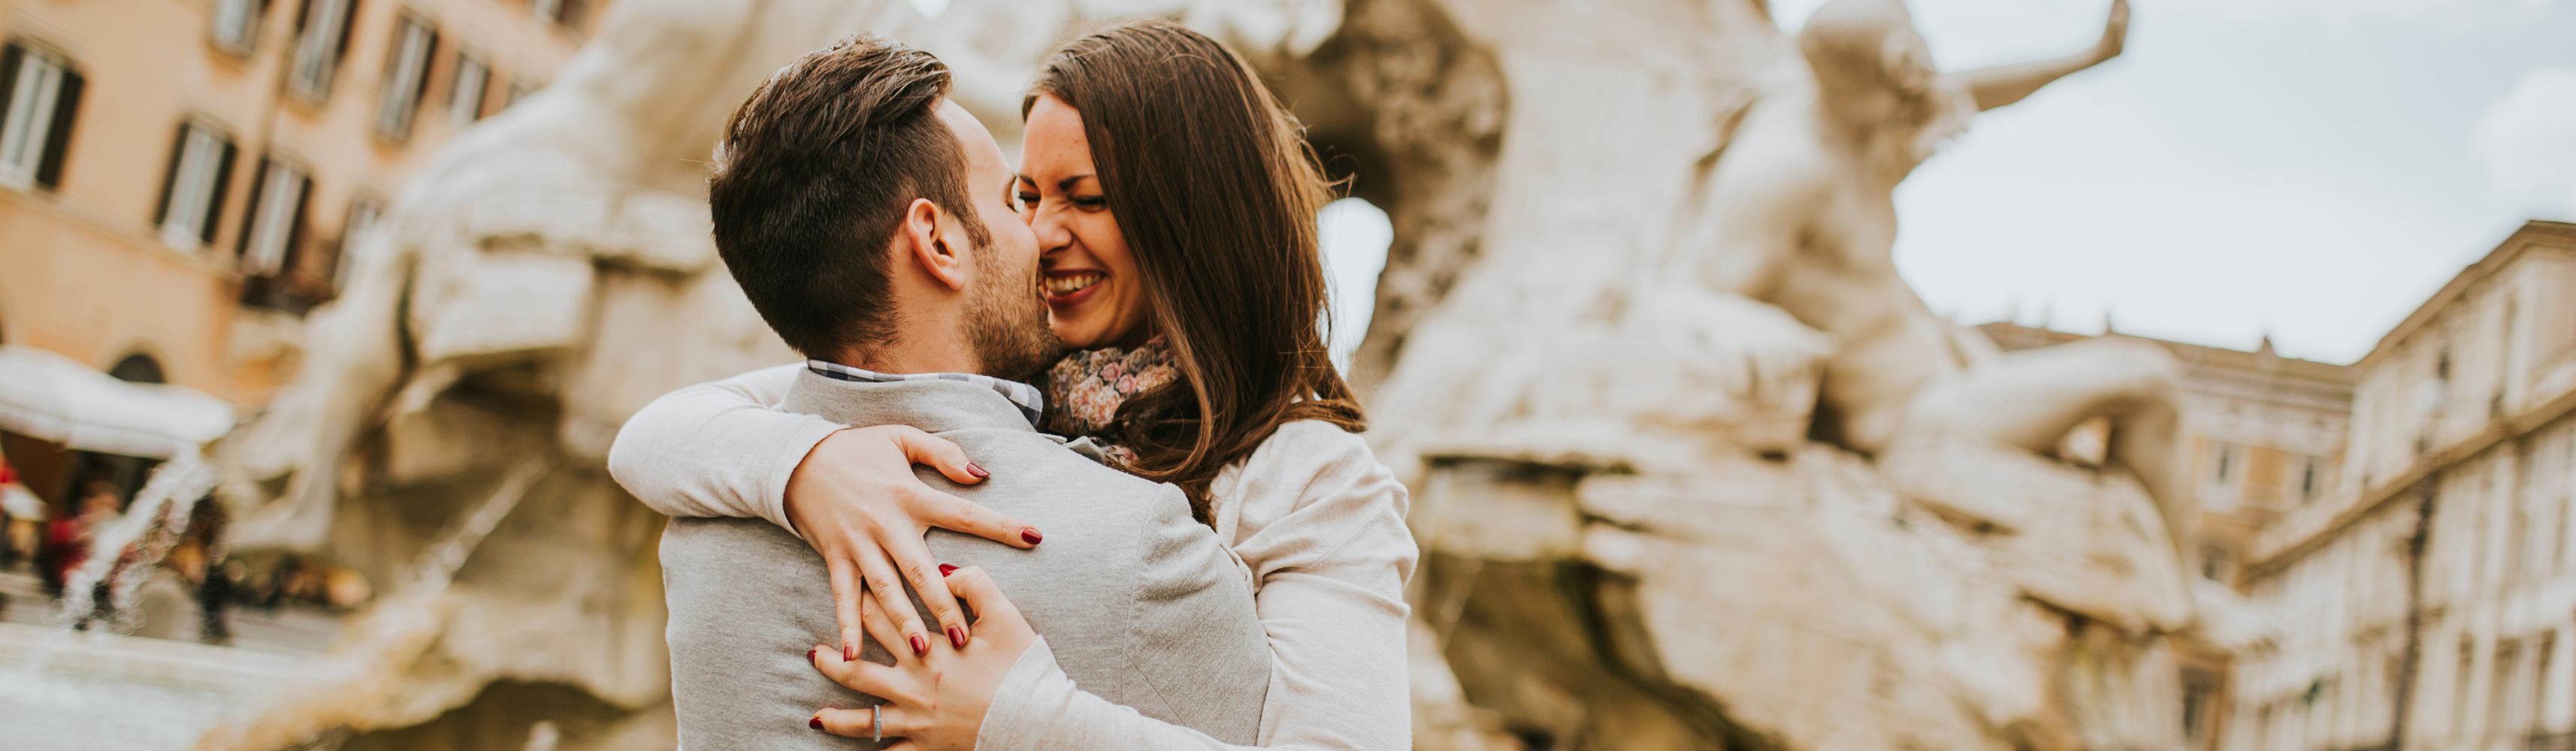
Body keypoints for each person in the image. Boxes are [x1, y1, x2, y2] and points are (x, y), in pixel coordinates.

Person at [609, 20, 1414, 750]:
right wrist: (806, 466)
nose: (1040, 232)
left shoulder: (1309, 477)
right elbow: (662, 430)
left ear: (1192, 217)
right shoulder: (1007, 385)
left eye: (1085, 198)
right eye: (1023, 196)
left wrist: (1020, 719)